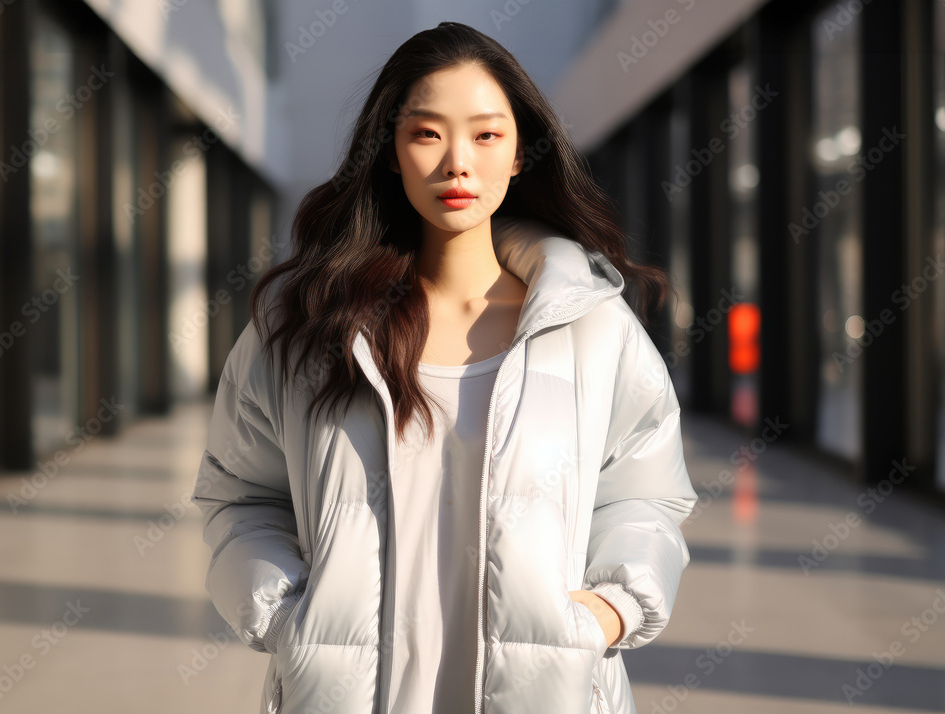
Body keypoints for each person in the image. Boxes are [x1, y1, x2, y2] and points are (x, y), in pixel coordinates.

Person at [192, 20, 697, 714]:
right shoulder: (305, 328)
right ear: (390, 152)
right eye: (426, 133)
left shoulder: (593, 328)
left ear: (521, 152)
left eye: (486, 135)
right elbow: (241, 496)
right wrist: (288, 617)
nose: (458, 162)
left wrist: (610, 610)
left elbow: (644, 496)